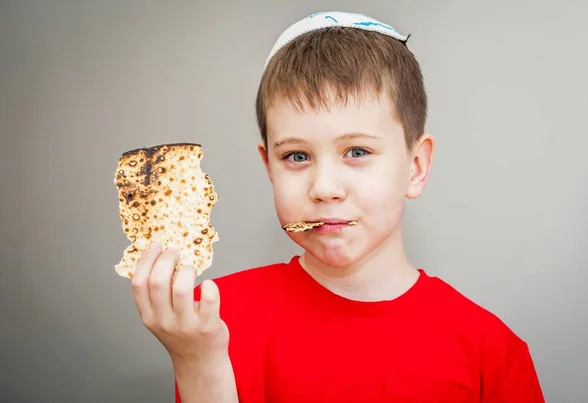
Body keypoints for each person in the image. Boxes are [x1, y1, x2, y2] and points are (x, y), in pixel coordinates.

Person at [131, 11, 545, 403]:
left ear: (416, 167)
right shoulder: (210, 320)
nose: (324, 188)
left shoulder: (492, 353)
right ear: (269, 167)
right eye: (296, 156)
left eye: (357, 151)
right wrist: (198, 365)